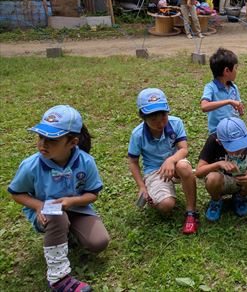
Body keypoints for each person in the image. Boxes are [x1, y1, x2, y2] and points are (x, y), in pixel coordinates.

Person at [8, 105, 110, 292]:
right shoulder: (31, 165)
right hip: (47, 214)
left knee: (99, 242)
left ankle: (67, 233)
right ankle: (58, 279)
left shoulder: (86, 162)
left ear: (72, 142)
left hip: (77, 209)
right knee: (57, 216)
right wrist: (38, 205)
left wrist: (71, 202)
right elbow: (16, 193)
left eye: (52, 139)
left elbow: (92, 194)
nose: (42, 144)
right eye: (41, 137)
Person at [128, 88, 199, 234]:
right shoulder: (137, 134)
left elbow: (184, 150)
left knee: (184, 167)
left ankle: (191, 212)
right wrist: (141, 186)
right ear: (143, 117)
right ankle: (158, 193)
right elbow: (133, 161)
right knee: (166, 206)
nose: (160, 123)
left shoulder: (176, 123)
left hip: (176, 165)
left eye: (163, 117)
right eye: (153, 119)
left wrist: (171, 160)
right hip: (155, 170)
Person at [196, 117, 247, 221]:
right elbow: (198, 172)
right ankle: (216, 201)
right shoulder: (212, 141)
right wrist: (218, 164)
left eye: (241, 146)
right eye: (233, 148)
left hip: (244, 179)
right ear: (219, 142)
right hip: (222, 182)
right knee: (212, 178)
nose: (238, 151)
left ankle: (240, 197)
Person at [201, 48, 244, 134]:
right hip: (217, 132)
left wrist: (240, 109)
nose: (237, 71)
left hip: (234, 130)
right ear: (227, 71)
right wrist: (228, 101)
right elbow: (204, 107)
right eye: (236, 68)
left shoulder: (233, 88)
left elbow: (237, 107)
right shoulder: (210, 88)